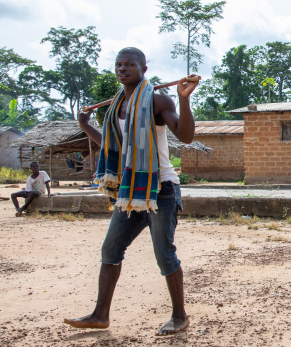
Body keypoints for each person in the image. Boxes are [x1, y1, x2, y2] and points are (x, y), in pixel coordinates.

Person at [63, 47, 199, 336]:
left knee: (164, 254)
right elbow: (119, 148)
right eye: (119, 64)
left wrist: (184, 100)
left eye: (130, 64)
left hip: (161, 188)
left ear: (143, 70)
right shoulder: (116, 106)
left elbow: (186, 137)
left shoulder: (157, 100)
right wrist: (86, 127)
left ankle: (180, 316)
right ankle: (100, 315)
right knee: (111, 249)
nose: (123, 68)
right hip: (132, 189)